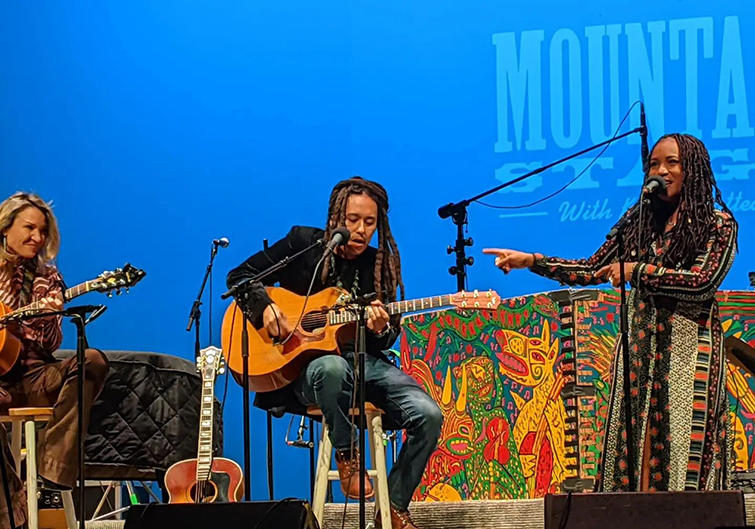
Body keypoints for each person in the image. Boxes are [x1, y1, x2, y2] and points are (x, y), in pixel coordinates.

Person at [484, 133, 738, 492]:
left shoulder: (718, 224)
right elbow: (592, 269)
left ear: (692, 170)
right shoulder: (639, 220)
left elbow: (702, 282)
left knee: (684, 452)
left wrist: (638, 271)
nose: (661, 170)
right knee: (637, 451)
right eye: (653, 164)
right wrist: (533, 261)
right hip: (639, 352)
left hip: (687, 355)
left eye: (671, 163)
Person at [227, 177, 442, 528]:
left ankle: (396, 507)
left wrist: (380, 328)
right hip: (307, 371)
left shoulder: (380, 264)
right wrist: (264, 306)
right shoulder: (302, 244)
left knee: (428, 414)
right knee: (330, 367)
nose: (360, 230)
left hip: (363, 362)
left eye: (369, 223)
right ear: (334, 219)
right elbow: (240, 275)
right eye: (353, 220)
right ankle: (347, 454)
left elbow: (389, 335)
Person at [0, 192, 109, 528]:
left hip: (34, 376)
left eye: (43, 231)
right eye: (29, 228)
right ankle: (11, 509)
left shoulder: (48, 278)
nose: (37, 237)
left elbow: (52, 344)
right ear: (5, 228)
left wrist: (46, 319)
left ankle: (54, 471)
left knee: (91, 360)